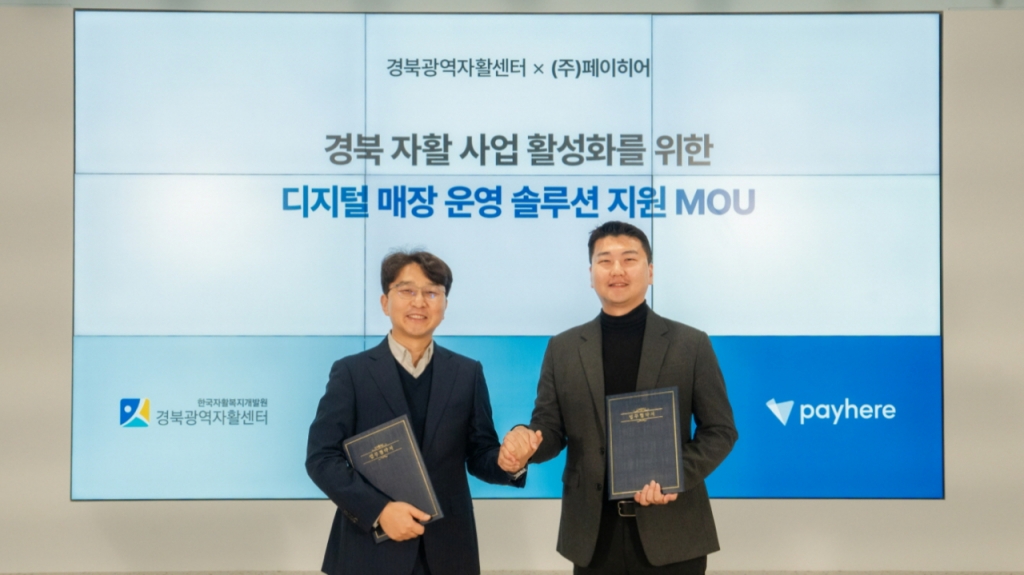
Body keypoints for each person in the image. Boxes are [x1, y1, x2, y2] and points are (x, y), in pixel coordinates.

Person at [501, 221, 738, 575]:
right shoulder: (563, 349)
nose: (617, 270)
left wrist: (674, 475)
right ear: (591, 273)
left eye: (629, 259)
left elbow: (720, 430)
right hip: (594, 538)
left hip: (673, 534)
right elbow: (549, 429)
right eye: (605, 260)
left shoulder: (691, 344)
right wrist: (526, 445)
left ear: (650, 271)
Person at [306, 250, 528, 575]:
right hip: (369, 549)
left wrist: (509, 463)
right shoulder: (351, 373)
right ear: (385, 302)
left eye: (432, 293)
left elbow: (480, 452)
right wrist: (379, 511)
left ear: (445, 305)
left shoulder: (467, 373)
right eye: (407, 291)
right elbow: (322, 458)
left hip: (449, 549)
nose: (419, 302)